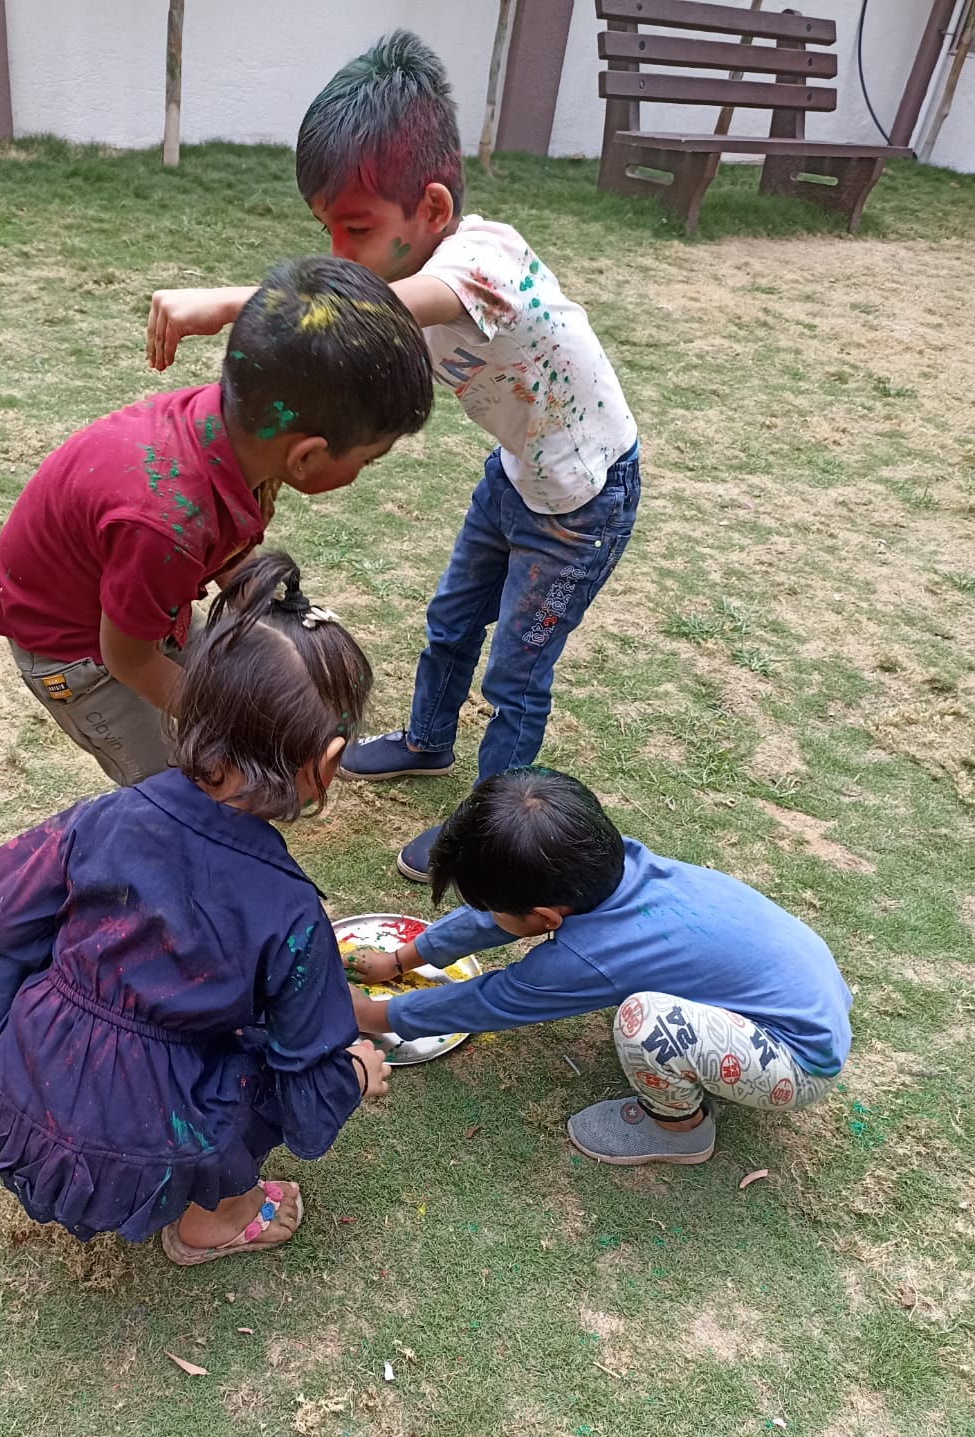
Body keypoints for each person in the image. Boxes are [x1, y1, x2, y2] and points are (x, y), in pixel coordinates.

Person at [147, 32, 640, 879]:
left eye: (357, 228)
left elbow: (367, 310)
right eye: (326, 229)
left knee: (517, 676)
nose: (341, 251)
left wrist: (227, 303)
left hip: (581, 500)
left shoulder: (488, 258)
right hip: (515, 475)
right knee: (450, 622)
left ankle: (488, 839)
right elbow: (360, 306)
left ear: (434, 213)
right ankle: (426, 740)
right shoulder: (417, 251)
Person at [0, 552, 391, 1265]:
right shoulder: (290, 910)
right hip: (136, 1137)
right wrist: (356, 1071)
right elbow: (305, 1065)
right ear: (327, 760)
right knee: (262, 1069)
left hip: (8, 1085)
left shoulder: (105, 813)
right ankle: (217, 1219)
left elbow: (5, 919)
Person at [0, 256, 432, 786]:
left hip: (142, 602)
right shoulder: (166, 524)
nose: (364, 471)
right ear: (307, 457)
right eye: (368, 459)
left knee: (227, 713)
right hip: (80, 654)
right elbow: (129, 659)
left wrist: (268, 618)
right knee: (180, 783)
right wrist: (236, 723)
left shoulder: (239, 430)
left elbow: (224, 544)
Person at [346, 768, 851, 1167]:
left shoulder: (587, 958)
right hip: (809, 987)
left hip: (798, 1059)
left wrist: (377, 1017)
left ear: (543, 918)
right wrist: (400, 959)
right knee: (650, 1006)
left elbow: (494, 1001)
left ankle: (680, 1131)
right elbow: (499, 920)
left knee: (645, 1024)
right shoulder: (603, 864)